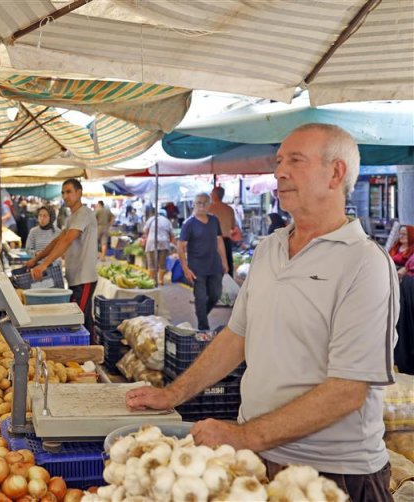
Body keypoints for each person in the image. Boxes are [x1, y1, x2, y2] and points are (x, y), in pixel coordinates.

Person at [126, 124, 399, 501]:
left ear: (336, 173)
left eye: (295, 161)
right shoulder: (270, 248)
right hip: (259, 462)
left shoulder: (365, 262)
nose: (279, 171)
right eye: (279, 161)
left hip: (334, 476)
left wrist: (243, 436)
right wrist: (173, 394)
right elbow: (236, 337)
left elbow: (348, 391)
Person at [26, 179, 98, 337]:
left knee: (80, 318)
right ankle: (92, 352)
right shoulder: (72, 218)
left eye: (69, 192)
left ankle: (92, 352)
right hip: (75, 277)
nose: (65, 196)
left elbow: (67, 240)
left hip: (84, 277)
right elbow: (57, 241)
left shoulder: (84, 213)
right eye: (63, 192)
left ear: (79, 193)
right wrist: (36, 259)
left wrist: (44, 265)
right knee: (82, 316)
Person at [178, 193, 228, 331]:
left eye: (205, 203)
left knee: (215, 295)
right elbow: (181, 246)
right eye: (198, 203)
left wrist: (224, 261)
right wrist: (185, 268)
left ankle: (201, 315)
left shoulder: (214, 220)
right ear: (193, 204)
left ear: (209, 204)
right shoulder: (189, 224)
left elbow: (219, 241)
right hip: (197, 268)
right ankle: (203, 327)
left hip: (214, 266)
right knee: (200, 298)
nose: (201, 205)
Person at [209, 186, 238, 276]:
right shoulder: (229, 209)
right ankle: (229, 285)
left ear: (214, 195)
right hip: (226, 240)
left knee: (213, 266)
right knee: (228, 266)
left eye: (211, 193)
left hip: (213, 241)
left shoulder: (209, 209)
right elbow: (233, 227)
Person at [143, 208, 174, 286]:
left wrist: (147, 237)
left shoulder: (151, 219)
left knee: (151, 263)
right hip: (164, 242)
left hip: (151, 241)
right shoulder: (167, 221)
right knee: (162, 263)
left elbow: (145, 230)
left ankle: (152, 280)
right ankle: (160, 280)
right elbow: (172, 234)